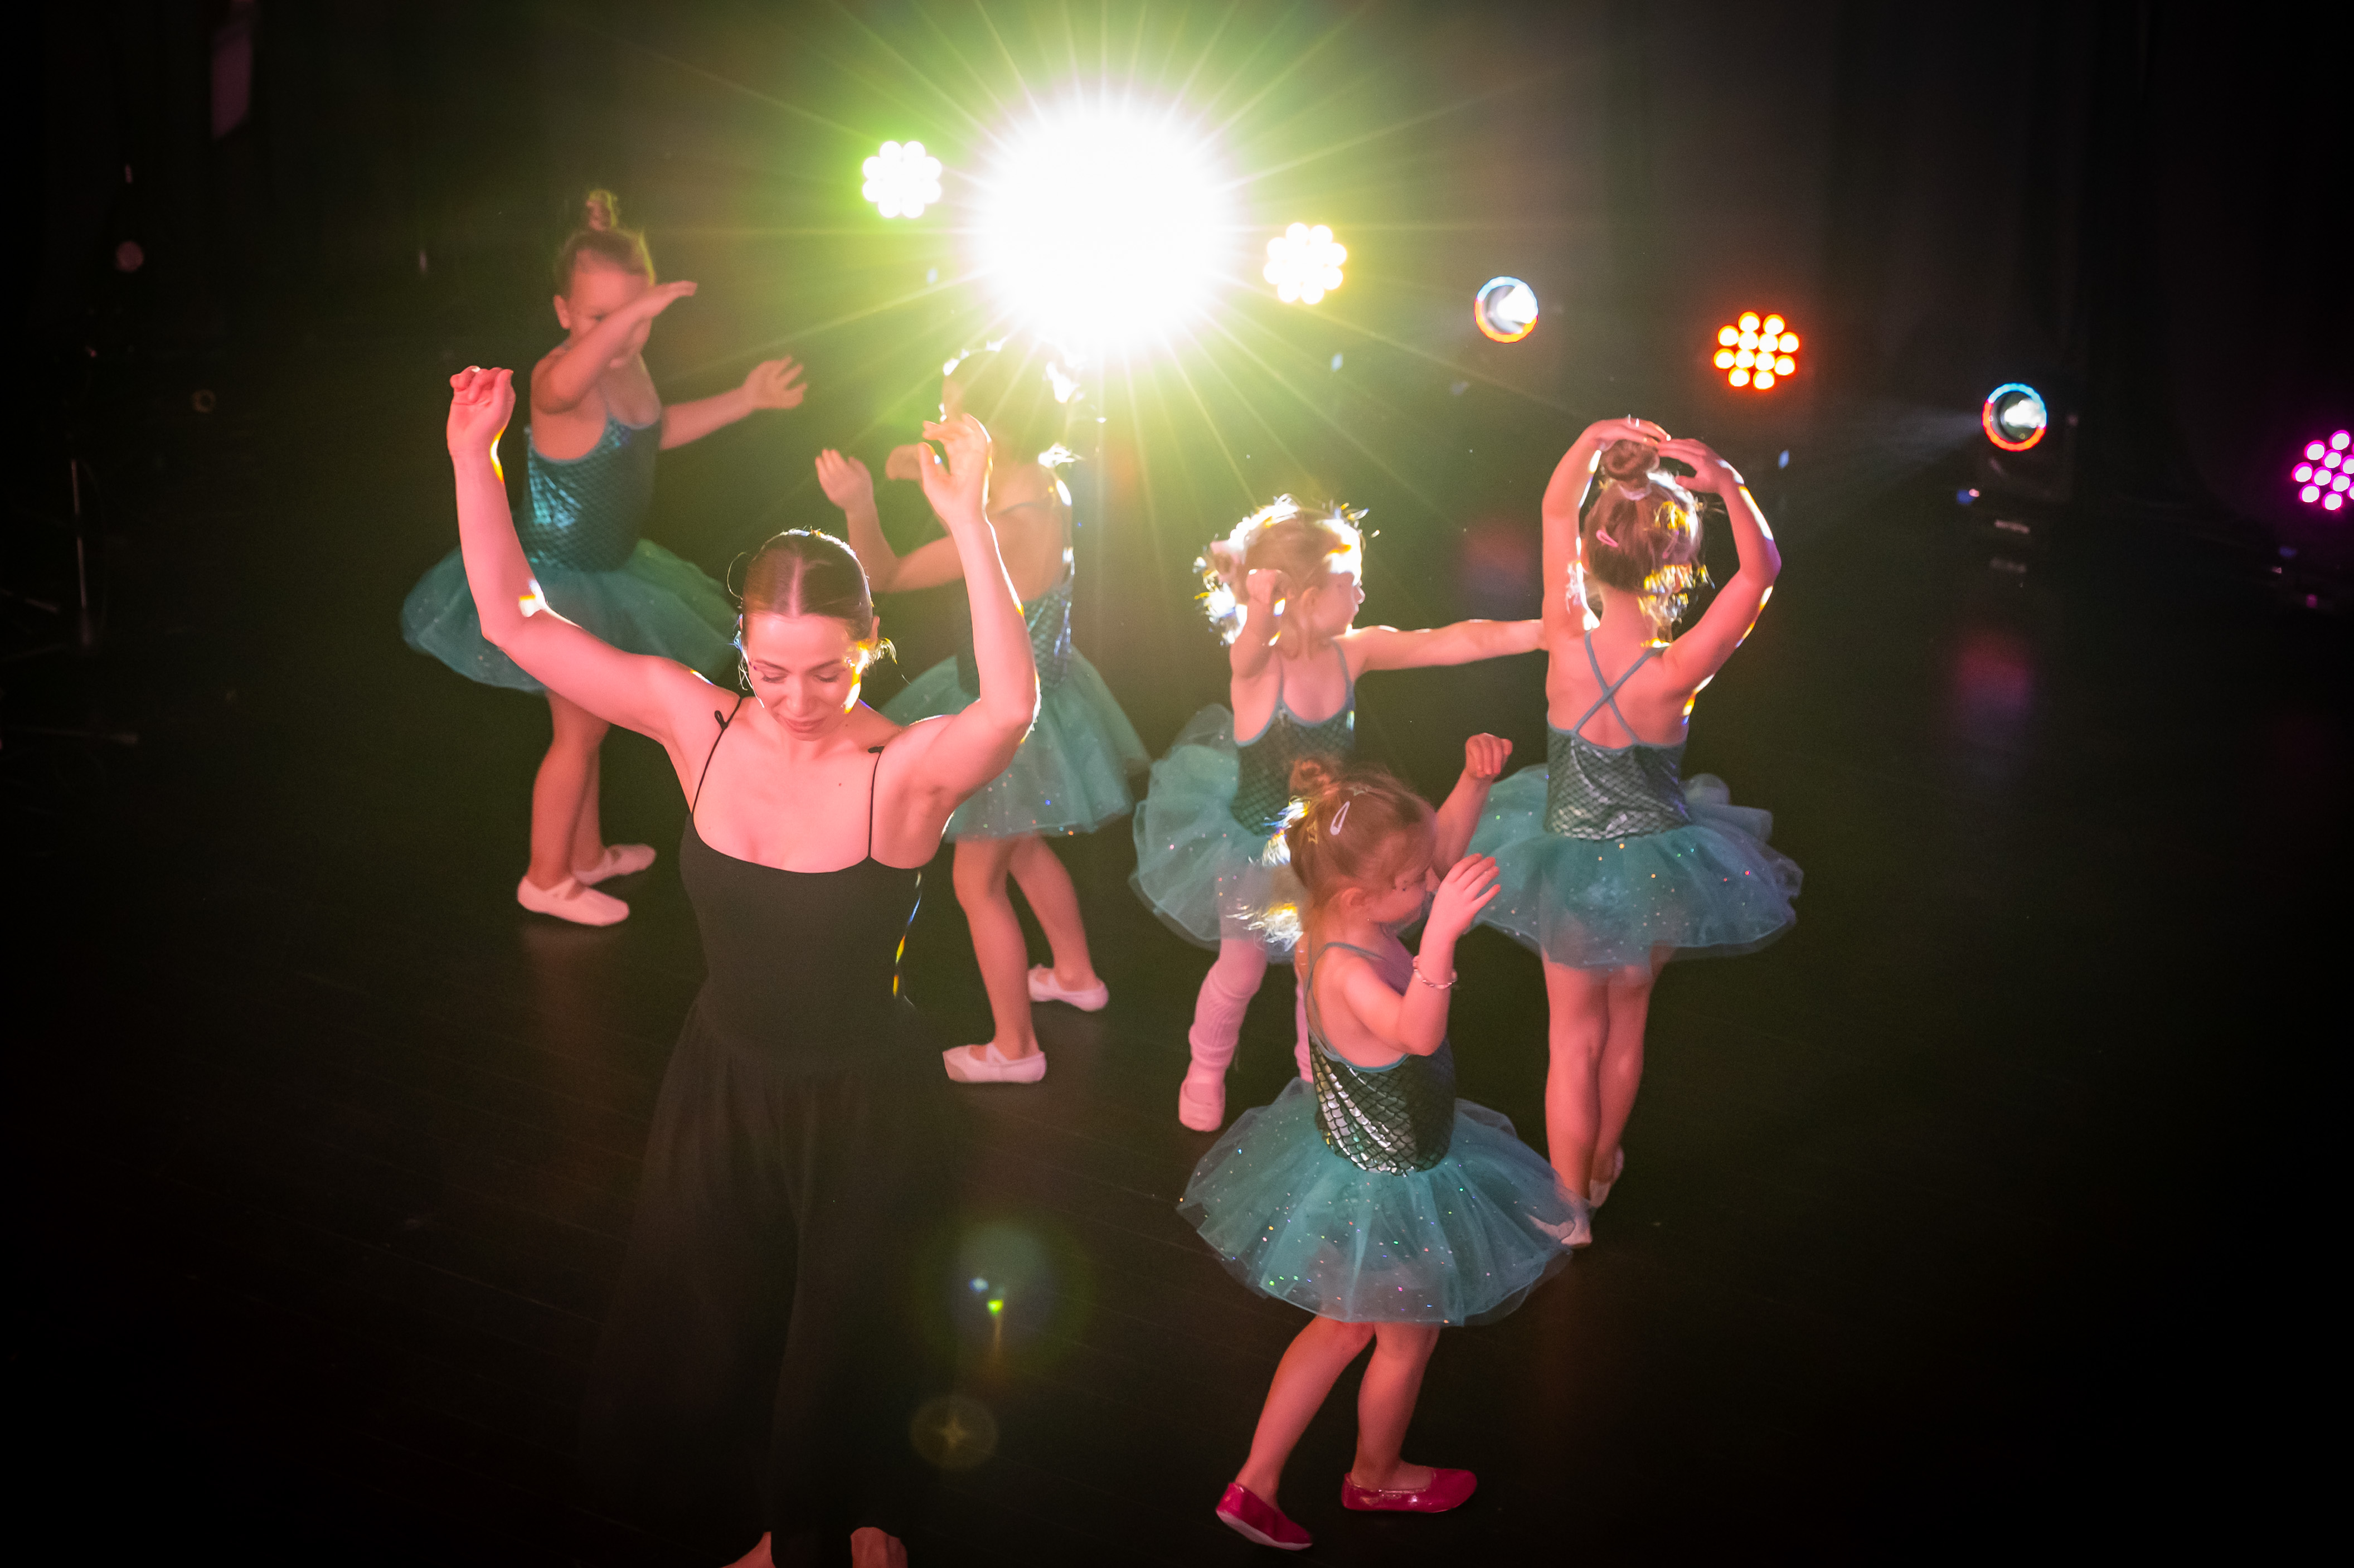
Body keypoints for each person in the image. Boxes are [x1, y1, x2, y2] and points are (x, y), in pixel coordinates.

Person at [441, 362, 1034, 1567]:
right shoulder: (692, 720)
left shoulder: (899, 770)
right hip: (720, 1082)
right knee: (726, 1319)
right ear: (741, 649)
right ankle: (786, 1521)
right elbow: (514, 621)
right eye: (769, 669)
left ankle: (838, 1521)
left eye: (828, 670)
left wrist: (969, 520)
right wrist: (473, 457)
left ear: (868, 646)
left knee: (847, 1331)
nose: (797, 697)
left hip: (861, 1101)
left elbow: (1006, 709)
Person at [1179, 753, 1579, 1551]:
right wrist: (1441, 938)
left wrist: (1469, 784)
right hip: (1392, 1182)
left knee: (1338, 1328)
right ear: (1363, 895)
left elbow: (1425, 854)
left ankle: (1255, 1480)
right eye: (1413, 882)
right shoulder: (1348, 973)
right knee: (1404, 1336)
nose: (1429, 885)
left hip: (1351, 1163)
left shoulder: (1340, 917)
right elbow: (1416, 1033)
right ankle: (1375, 1473)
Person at [401, 190, 808, 926]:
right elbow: (567, 383)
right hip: (554, 582)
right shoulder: (557, 378)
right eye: (601, 317)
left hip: (616, 569)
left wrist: (745, 399)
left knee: (589, 728)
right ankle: (545, 877)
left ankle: (584, 856)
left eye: (639, 316)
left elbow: (651, 433)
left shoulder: (628, 366)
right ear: (563, 313)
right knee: (579, 731)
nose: (624, 333)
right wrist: (632, 314)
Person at [1471, 419, 1802, 1237]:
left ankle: (1568, 1208)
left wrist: (1588, 442)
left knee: (1572, 1042)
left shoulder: (1563, 632)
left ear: (1591, 549)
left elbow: (1554, 510)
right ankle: (1600, 1165)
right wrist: (1728, 482)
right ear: (1677, 563)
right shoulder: (1677, 669)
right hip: (1655, 871)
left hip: (1565, 866)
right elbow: (1761, 570)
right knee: (1625, 1027)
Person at [1133, 498, 1543, 1130]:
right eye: (1349, 582)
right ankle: (1204, 1069)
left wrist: (1540, 633)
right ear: (1303, 596)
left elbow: (1448, 641)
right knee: (1239, 969)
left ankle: (1315, 1076)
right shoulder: (1259, 670)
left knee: (1320, 966)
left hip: (1327, 849)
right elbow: (1245, 651)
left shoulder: (1354, 651)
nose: (1361, 593)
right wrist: (1261, 606)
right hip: (1256, 846)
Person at [829, 343, 1147, 1084]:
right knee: (1023, 845)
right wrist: (913, 462)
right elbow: (943, 466)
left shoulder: (1004, 525)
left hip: (1011, 718)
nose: (936, 422)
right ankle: (1074, 974)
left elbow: (884, 573)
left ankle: (1015, 1048)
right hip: (1051, 697)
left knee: (976, 883)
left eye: (949, 413)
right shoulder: (1045, 485)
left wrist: (858, 505)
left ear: (990, 433)